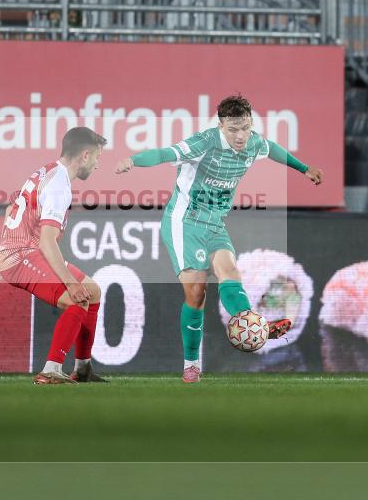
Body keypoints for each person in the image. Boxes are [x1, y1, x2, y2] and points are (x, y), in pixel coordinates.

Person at [116, 95, 323, 383]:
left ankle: (254, 325)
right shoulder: (204, 143)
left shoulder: (253, 143)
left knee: (230, 272)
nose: (241, 136)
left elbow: (272, 148)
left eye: (246, 128)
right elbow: (165, 154)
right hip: (184, 222)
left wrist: (304, 169)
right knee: (197, 293)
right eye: (234, 129)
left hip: (214, 223)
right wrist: (132, 161)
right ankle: (191, 363)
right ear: (221, 126)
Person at [0, 126, 109, 384]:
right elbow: (47, 242)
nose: (96, 165)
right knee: (76, 297)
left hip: (21, 251)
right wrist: (69, 281)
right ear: (84, 156)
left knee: (91, 291)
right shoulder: (60, 185)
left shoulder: (47, 171)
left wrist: (8, 242)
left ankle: (82, 369)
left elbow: (11, 208)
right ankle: (51, 370)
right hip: (22, 256)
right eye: (96, 158)